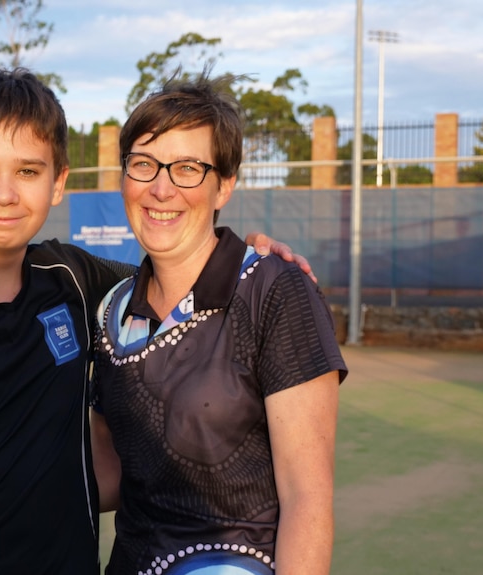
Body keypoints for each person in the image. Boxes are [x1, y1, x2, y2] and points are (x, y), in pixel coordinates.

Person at [0, 68, 312, 575]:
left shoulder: (73, 279)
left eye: (29, 172)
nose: (5, 194)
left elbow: (179, 272)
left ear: (58, 183)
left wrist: (250, 253)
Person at [90, 75, 349, 575]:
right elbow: (111, 475)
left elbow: (307, 502)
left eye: (187, 168)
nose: (161, 188)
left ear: (224, 185)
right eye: (143, 164)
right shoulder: (112, 310)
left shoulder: (276, 291)